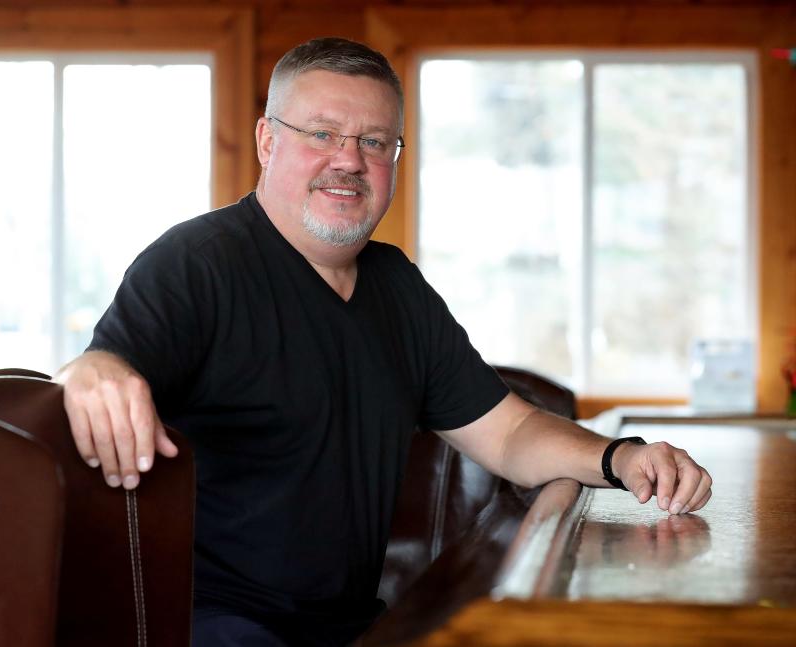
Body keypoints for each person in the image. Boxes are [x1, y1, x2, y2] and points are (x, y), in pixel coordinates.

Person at [55, 37, 712, 646]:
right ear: (265, 140)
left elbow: (508, 434)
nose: (349, 159)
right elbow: (103, 370)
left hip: (354, 627)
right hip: (213, 624)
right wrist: (92, 367)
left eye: (375, 141)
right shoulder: (197, 264)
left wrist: (622, 458)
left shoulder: (396, 285)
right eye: (322, 134)